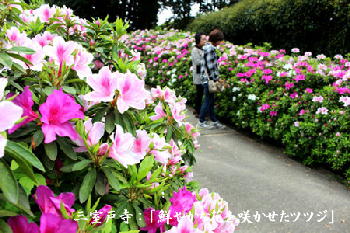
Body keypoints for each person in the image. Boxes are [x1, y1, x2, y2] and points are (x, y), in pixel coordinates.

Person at [198, 29, 225, 129]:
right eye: (220, 40)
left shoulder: (208, 47)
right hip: (209, 79)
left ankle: (214, 121)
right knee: (208, 100)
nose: (221, 42)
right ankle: (201, 121)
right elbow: (210, 66)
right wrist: (215, 78)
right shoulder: (210, 49)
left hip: (208, 78)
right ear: (216, 40)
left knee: (211, 100)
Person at [191, 33, 207, 118]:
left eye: (205, 39)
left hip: (204, 74)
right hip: (198, 75)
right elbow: (197, 62)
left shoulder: (204, 48)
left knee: (202, 93)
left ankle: (199, 110)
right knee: (199, 93)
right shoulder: (195, 50)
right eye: (203, 39)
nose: (205, 41)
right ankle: (197, 111)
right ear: (198, 40)